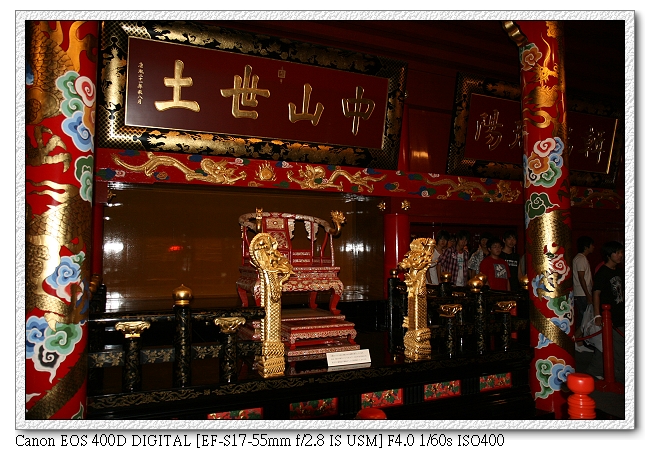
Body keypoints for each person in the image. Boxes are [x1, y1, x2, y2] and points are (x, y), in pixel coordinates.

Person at [585, 241, 624, 383]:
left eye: (621, 252)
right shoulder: (602, 272)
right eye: (617, 252)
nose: (620, 255)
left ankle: (595, 370)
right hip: (609, 315)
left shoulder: (619, 271)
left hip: (620, 312)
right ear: (609, 255)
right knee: (617, 346)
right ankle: (620, 376)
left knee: (608, 345)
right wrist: (597, 314)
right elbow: (596, 293)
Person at [573, 236, 595, 353]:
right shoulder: (581, 259)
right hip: (582, 293)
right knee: (584, 320)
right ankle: (576, 340)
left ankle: (579, 342)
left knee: (583, 319)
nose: (593, 247)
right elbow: (581, 278)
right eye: (592, 245)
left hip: (582, 293)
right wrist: (588, 295)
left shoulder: (580, 258)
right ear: (586, 246)